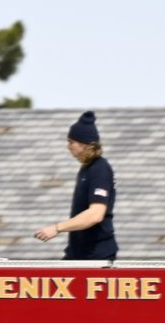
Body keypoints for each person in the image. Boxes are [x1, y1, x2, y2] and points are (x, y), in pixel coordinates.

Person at [34, 111, 119, 260]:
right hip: (78, 252)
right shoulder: (86, 169)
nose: (68, 147)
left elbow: (95, 214)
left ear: (83, 144)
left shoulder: (99, 169)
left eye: (71, 142)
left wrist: (57, 228)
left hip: (96, 256)